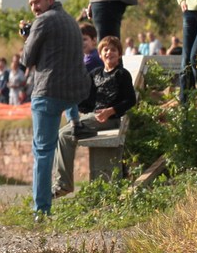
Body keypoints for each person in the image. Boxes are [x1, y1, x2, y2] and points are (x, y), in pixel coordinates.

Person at [21, 0, 90, 218]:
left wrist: (26, 37)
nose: (34, 7)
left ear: (50, 0)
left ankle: (41, 209)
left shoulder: (42, 21)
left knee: (42, 151)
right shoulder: (70, 20)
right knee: (50, 144)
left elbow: (27, 58)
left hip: (47, 92)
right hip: (72, 92)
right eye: (31, 4)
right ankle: (75, 119)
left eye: (37, 2)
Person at [52, 35, 137, 197]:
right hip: (94, 118)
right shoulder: (96, 73)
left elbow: (130, 100)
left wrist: (110, 111)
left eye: (113, 50)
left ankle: (64, 184)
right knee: (64, 133)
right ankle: (63, 181)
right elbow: (87, 102)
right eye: (105, 50)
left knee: (63, 135)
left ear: (119, 54)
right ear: (100, 54)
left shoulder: (122, 74)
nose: (109, 53)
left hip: (111, 120)